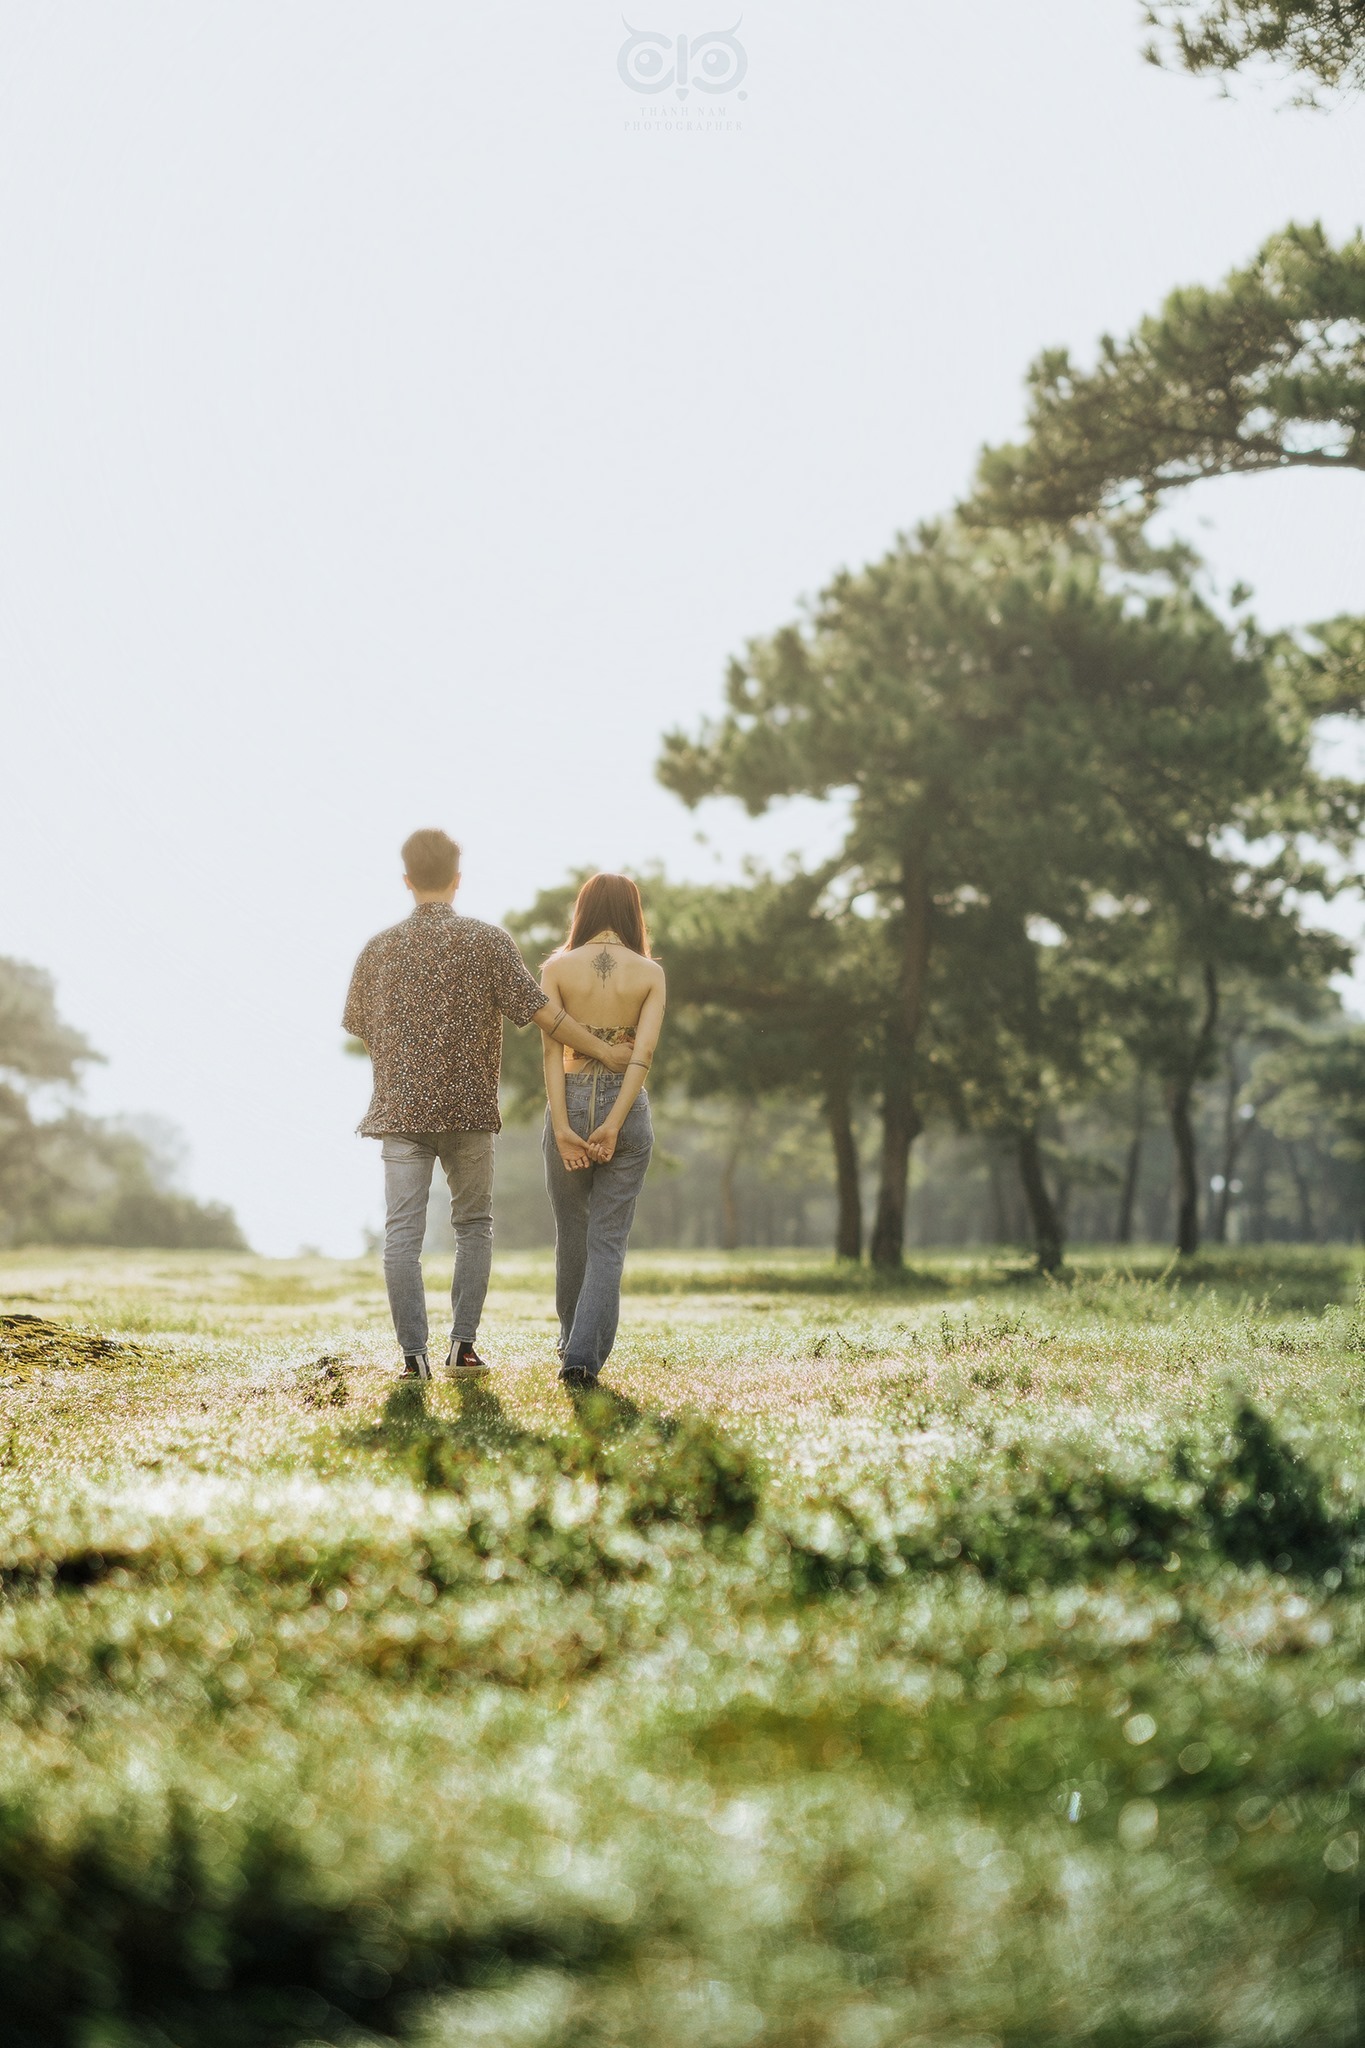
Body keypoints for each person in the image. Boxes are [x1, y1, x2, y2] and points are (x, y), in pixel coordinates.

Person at [344, 829, 631, 1382]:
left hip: (399, 1115)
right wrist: (603, 1050)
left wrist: (407, 1061)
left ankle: (413, 1359)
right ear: (457, 878)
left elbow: (362, 1029)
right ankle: (463, 1350)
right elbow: (543, 1013)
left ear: (406, 880)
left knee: (401, 1236)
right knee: (473, 1225)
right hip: (469, 1112)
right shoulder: (487, 941)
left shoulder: (376, 949)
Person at [540, 873, 666, 1388]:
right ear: (633, 912)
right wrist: (613, 1124)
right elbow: (644, 1055)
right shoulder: (650, 973)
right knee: (607, 1240)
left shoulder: (555, 967)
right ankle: (582, 1358)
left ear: (584, 910)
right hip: (626, 1106)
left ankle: (572, 1341)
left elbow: (550, 1051)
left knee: (572, 1232)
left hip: (566, 1099)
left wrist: (564, 1126)